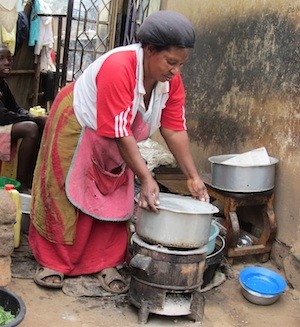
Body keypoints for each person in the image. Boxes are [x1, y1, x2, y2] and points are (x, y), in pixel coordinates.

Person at [29, 10, 209, 292]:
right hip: (78, 123)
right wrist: (147, 178)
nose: (176, 71)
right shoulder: (120, 66)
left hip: (116, 135)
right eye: (171, 62)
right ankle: (55, 261)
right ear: (150, 50)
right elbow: (120, 131)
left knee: (112, 193)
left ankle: (105, 261)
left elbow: (173, 129)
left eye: (182, 64)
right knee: (65, 190)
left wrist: (193, 176)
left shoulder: (170, 82)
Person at [0, 44, 47, 193]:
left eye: (9, 59)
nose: (7, 63)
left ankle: (31, 179)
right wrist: (32, 120)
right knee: (30, 128)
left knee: (41, 123)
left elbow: (15, 107)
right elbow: (2, 116)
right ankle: (21, 185)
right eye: (1, 59)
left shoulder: (3, 84)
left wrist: (32, 116)